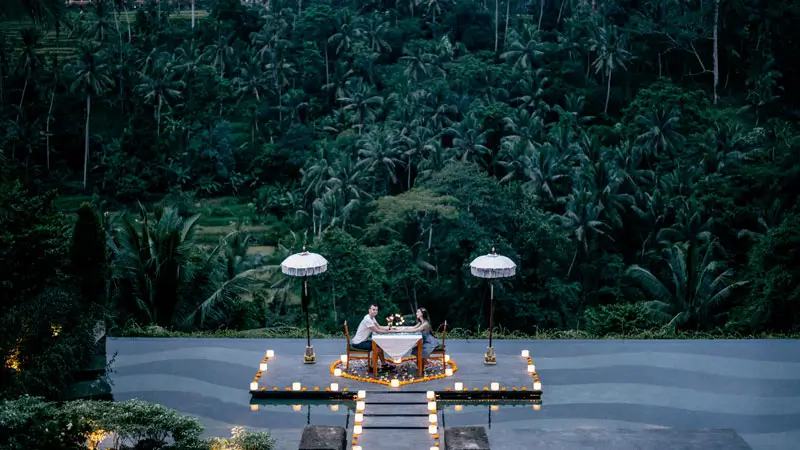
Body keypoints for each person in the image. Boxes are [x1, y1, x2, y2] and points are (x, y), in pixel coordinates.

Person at [352, 304, 393, 368]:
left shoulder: (372, 318)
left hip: (363, 341)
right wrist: (389, 331)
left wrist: (390, 328)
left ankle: (383, 365)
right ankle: (372, 366)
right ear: (369, 310)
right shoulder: (367, 319)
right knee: (377, 348)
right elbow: (377, 331)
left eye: (376, 310)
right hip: (358, 343)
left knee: (379, 345)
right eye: (373, 309)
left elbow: (379, 327)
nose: (375, 311)